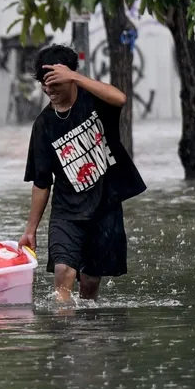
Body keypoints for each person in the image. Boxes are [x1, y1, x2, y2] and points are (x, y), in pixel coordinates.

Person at [20, 44, 146, 303]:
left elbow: (120, 98)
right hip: (66, 213)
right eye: (46, 85)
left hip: (104, 207)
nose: (50, 90)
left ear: (69, 77)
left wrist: (75, 76)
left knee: (89, 284)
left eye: (56, 83)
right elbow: (42, 182)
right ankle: (66, 337)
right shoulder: (43, 125)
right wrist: (30, 229)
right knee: (63, 272)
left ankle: (88, 333)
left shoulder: (95, 101)